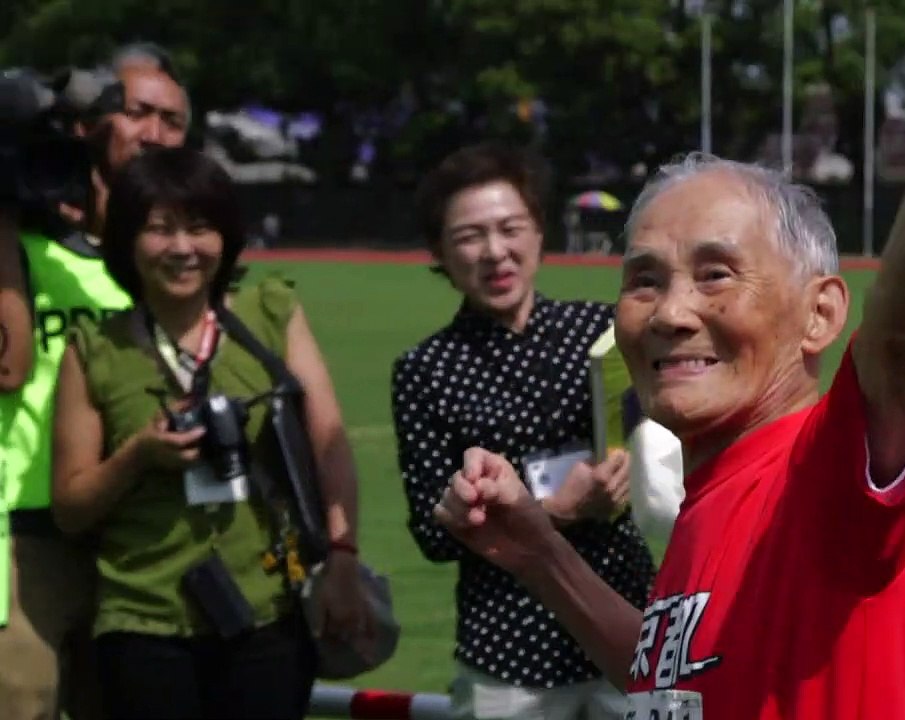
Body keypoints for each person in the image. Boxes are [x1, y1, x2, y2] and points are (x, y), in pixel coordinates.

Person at [429, 1, 905, 717]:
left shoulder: (824, 470)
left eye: (716, 274)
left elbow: (904, 335)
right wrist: (539, 554)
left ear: (820, 314)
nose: (671, 312)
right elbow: (672, 685)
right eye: (645, 279)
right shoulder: (706, 496)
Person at [47, 146, 372, 720]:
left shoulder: (270, 314)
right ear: (127, 241)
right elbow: (71, 508)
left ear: (225, 236)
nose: (181, 248)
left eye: (199, 227)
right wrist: (138, 456)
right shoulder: (95, 350)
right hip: (143, 620)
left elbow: (329, 444)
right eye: (159, 229)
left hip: (269, 608)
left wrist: (343, 557)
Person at [391, 142, 655, 719]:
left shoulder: (602, 330)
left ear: (539, 231)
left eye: (510, 227)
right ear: (439, 250)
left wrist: (637, 469)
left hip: (629, 622)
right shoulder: (425, 369)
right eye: (469, 236)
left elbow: (670, 437)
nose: (495, 252)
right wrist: (551, 510)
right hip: (509, 652)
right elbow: (432, 535)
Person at [0, 45, 190, 720]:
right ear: (86, 123)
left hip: (143, 535)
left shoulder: (183, 260)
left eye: (173, 121)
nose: (155, 133)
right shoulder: (23, 241)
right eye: (135, 112)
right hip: (29, 532)